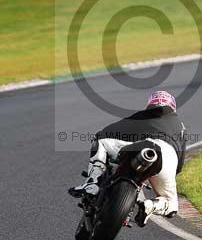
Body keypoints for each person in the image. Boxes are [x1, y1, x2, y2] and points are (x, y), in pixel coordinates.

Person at [68, 90, 187, 227]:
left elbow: (106, 133)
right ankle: (151, 205)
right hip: (167, 159)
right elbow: (179, 166)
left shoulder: (143, 116)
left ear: (150, 104)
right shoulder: (180, 127)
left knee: (101, 142)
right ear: (173, 107)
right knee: (171, 206)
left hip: (142, 147)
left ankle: (93, 182)